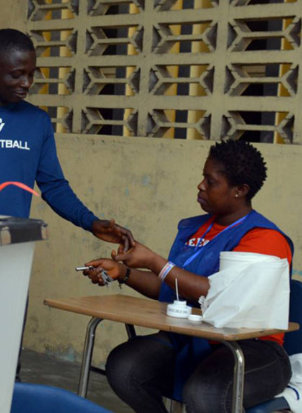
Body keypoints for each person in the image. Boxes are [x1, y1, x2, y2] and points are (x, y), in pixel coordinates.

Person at [83, 139, 293, 413]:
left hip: (249, 349)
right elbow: (171, 288)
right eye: (202, 177)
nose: (201, 185)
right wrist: (124, 272)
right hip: (192, 337)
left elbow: (217, 293)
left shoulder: (264, 238)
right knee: (125, 367)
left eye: (211, 181)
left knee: (204, 392)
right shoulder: (196, 228)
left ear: (240, 190)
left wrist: (155, 261)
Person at [0, 28, 132, 246]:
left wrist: (90, 222)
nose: (27, 83)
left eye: (31, 74)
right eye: (17, 75)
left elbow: (54, 186)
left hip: (12, 246)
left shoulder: (37, 121)